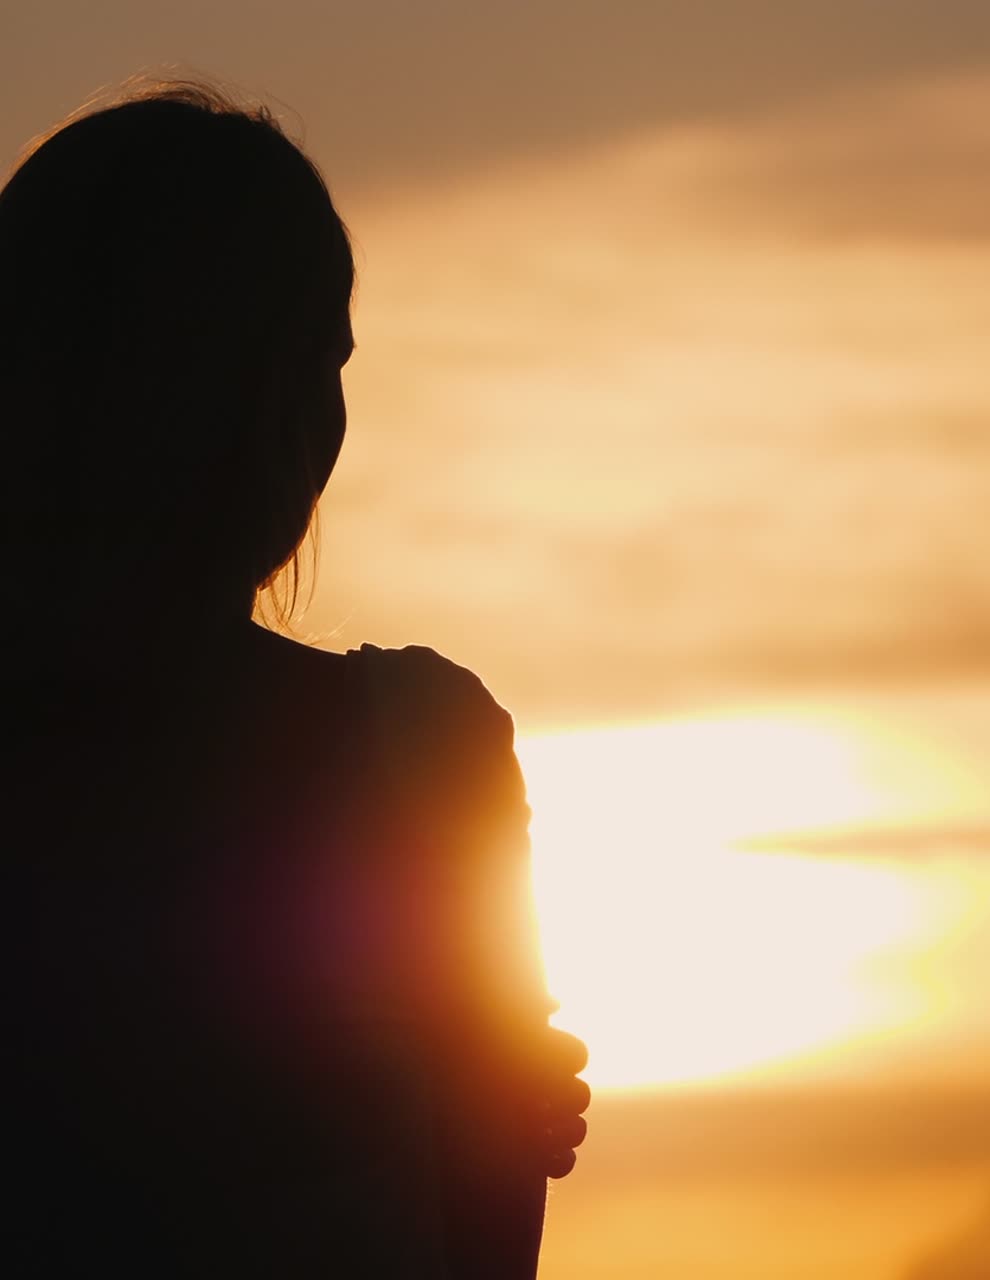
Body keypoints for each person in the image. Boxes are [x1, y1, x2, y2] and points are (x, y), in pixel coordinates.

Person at [3, 82, 587, 1276]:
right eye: (254, 357)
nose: (304, 424)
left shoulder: (430, 755)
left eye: (324, 362)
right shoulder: (419, 758)